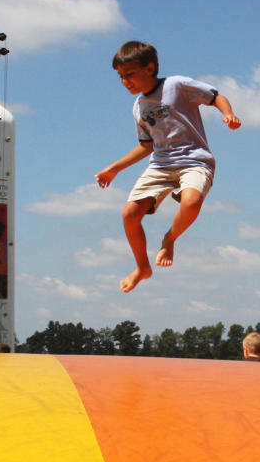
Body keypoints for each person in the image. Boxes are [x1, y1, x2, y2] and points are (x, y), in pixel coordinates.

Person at [96, 41, 242, 293]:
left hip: (194, 160)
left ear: (149, 68)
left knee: (191, 202)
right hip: (161, 164)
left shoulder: (175, 85)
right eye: (121, 77)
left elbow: (215, 96)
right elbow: (145, 145)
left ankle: (169, 238)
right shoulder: (138, 107)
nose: (125, 82)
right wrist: (115, 168)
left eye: (130, 75)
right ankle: (142, 267)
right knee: (129, 214)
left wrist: (227, 113)